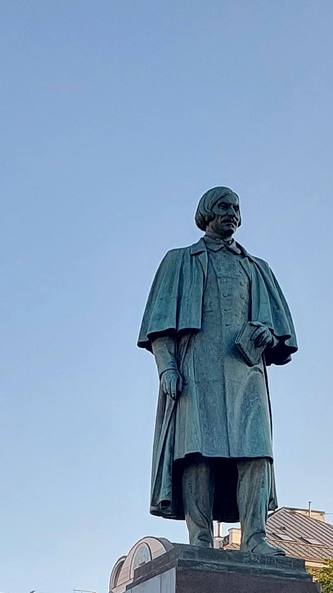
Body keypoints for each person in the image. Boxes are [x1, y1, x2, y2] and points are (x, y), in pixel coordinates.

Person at [140, 187, 298, 555]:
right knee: (197, 453)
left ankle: (255, 537)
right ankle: (200, 537)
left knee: (257, 452)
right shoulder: (180, 261)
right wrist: (167, 368)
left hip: (246, 373)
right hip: (198, 368)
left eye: (237, 208)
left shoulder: (256, 267)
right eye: (224, 207)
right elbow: (159, 326)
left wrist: (268, 335)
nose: (232, 214)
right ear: (206, 213)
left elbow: (282, 339)